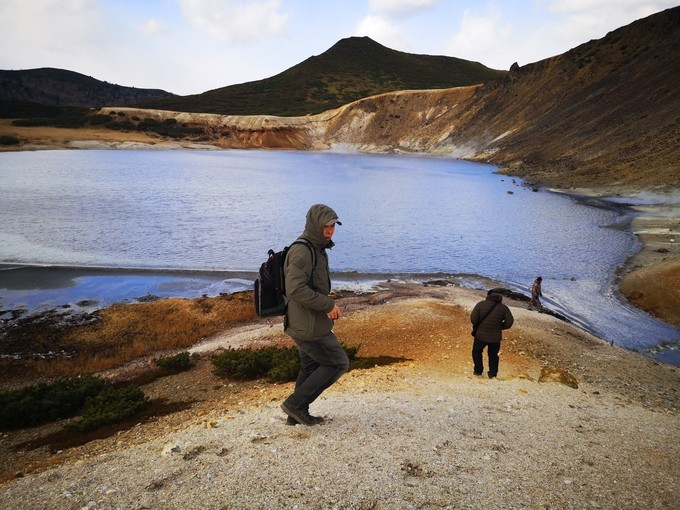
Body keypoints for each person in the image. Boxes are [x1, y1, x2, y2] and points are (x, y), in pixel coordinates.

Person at [280, 204, 349, 426]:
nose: (329, 230)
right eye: (325, 226)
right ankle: (294, 405)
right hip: (308, 326)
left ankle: (296, 416)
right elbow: (295, 289)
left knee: (310, 368)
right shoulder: (303, 251)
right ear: (314, 225)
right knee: (337, 363)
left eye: (332, 226)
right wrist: (327, 304)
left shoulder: (316, 248)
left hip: (306, 322)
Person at [470, 290, 514, 378]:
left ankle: (478, 371)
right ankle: (492, 374)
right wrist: (500, 326)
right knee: (493, 355)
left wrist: (480, 325)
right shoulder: (504, 308)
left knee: (477, 351)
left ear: (488, 296)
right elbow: (509, 322)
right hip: (495, 338)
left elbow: (473, 320)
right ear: (500, 299)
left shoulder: (480, 304)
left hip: (480, 335)